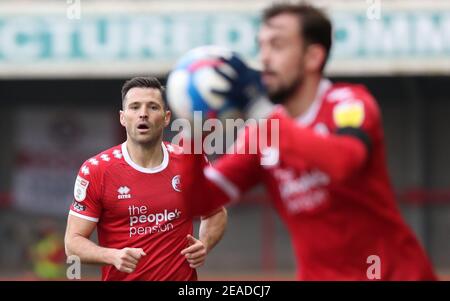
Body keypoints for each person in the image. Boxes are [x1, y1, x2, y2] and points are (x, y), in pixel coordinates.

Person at [180, 3, 437, 280]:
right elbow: (198, 202)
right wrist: (194, 139)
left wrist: (261, 113)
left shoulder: (348, 103)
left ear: (313, 56)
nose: (264, 58)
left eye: (277, 45)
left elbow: (342, 162)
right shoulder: (262, 132)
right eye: (261, 46)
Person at [64, 77, 227, 281]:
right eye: (134, 107)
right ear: (123, 118)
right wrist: (112, 255)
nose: (143, 114)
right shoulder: (97, 170)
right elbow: (73, 243)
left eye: (152, 107)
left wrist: (204, 243)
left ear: (166, 117)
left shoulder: (190, 160)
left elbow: (216, 212)